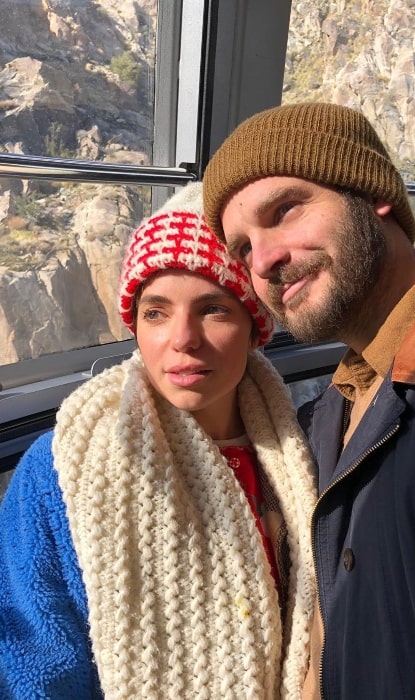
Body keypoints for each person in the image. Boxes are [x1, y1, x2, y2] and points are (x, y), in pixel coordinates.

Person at [202, 102, 415, 699]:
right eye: (241, 249)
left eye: (285, 211)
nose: (264, 261)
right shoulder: (331, 409)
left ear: (373, 194)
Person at [0, 182, 318, 699]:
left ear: (255, 326)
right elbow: (33, 670)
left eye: (214, 308)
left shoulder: (306, 452)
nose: (182, 338)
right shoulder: (59, 473)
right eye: (156, 312)